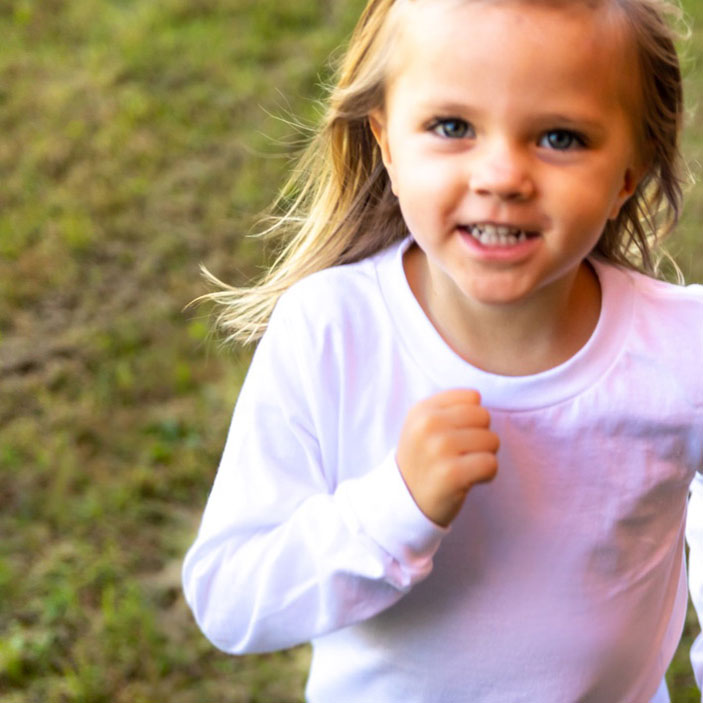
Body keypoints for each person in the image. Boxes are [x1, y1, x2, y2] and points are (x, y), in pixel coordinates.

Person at [182, 0, 703, 700]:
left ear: (627, 174)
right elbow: (230, 596)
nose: (501, 176)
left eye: (559, 137)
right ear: (387, 143)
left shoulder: (680, 349)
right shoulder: (333, 331)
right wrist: (392, 507)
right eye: (452, 126)